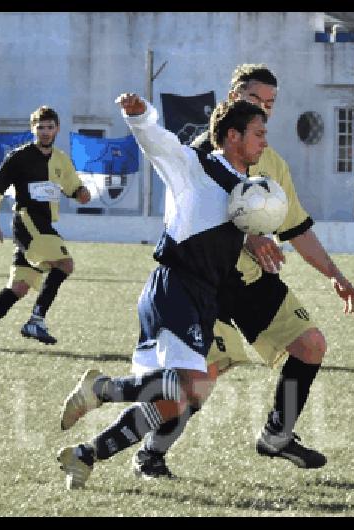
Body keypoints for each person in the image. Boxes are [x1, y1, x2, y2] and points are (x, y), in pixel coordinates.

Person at [130, 63, 354, 479]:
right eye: (256, 101)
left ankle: (277, 436)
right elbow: (200, 211)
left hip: (255, 280)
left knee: (310, 345)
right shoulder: (204, 151)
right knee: (203, 377)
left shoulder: (272, 161)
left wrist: (333, 273)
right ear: (234, 96)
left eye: (271, 104)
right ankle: (151, 453)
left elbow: (296, 227)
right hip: (208, 282)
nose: (265, 111)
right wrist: (249, 234)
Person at [55, 94, 269, 490]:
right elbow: (160, 144)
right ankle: (101, 389)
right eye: (258, 133)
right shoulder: (194, 166)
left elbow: (228, 227)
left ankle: (86, 455)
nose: (264, 142)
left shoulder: (246, 190)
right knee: (186, 385)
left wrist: (255, 239)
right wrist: (140, 118)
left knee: (181, 399)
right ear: (233, 135)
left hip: (205, 298)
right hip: (176, 287)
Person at [0, 106, 91, 349]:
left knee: (18, 288)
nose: (45, 132)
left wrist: (83, 194)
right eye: (40, 127)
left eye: (50, 127)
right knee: (65, 264)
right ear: (33, 129)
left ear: (57, 129)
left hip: (44, 224)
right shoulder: (19, 157)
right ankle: (36, 320)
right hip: (28, 222)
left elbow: (74, 188)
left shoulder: (61, 159)